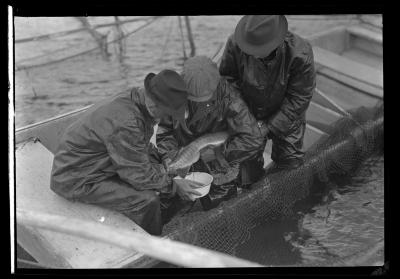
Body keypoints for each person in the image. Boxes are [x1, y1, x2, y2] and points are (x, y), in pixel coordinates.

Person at [50, 69, 203, 235]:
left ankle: (157, 212)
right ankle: (151, 244)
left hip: (100, 159)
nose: (169, 118)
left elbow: (138, 145)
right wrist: (174, 186)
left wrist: (163, 157)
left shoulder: (136, 98)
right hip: (76, 177)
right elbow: (139, 177)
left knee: (159, 170)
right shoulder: (128, 122)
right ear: (156, 105)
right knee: (147, 200)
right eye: (169, 113)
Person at [157, 56, 266, 211]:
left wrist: (219, 154)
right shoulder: (172, 96)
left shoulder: (230, 98)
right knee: (173, 205)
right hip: (184, 155)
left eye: (204, 97)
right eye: (193, 97)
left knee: (219, 206)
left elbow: (252, 138)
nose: (198, 101)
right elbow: (164, 132)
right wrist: (169, 157)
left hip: (218, 163)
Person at [219, 15, 316, 177]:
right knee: (246, 172)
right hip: (248, 112)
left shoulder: (301, 52)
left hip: (288, 116)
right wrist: (246, 119)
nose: (253, 54)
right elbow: (227, 83)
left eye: (258, 49)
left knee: (290, 167)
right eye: (249, 48)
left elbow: (299, 98)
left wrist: (268, 127)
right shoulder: (234, 43)